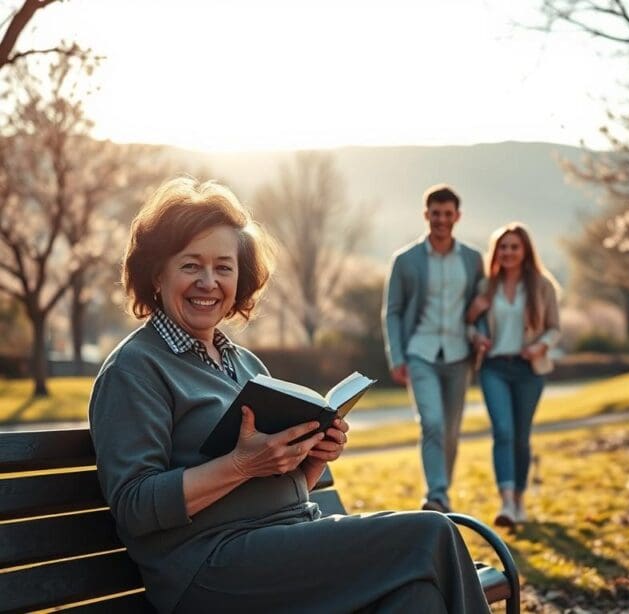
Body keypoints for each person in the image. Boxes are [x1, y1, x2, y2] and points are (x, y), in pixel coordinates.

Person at [89, 177, 490, 614]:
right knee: (432, 533)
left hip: (286, 544)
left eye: (223, 267)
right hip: (210, 567)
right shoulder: (135, 369)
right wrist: (241, 464)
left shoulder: (244, 363)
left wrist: (311, 457)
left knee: (417, 599)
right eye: (191, 266)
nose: (208, 281)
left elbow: (280, 487)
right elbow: (134, 507)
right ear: (156, 273)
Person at [382, 184, 484, 513]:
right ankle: (436, 495)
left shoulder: (472, 259)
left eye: (447, 214)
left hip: (459, 355)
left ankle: (442, 493)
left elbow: (480, 305)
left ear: (457, 216)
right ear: (426, 214)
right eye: (435, 213)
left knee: (451, 431)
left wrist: (480, 335)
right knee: (433, 423)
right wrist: (397, 356)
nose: (441, 220)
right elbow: (393, 311)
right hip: (420, 352)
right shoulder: (405, 260)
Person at [467, 223, 560, 527]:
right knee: (503, 432)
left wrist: (540, 347)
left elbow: (554, 328)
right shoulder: (486, 286)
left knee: (521, 436)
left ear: (525, 251)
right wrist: (476, 334)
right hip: (494, 367)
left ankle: (520, 499)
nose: (508, 252)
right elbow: (470, 326)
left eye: (514, 247)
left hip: (528, 369)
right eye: (503, 247)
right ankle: (506, 502)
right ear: (496, 252)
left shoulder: (542, 286)